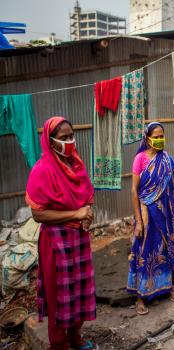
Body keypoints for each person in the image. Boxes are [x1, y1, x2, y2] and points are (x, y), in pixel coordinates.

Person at [26, 117, 97, 350]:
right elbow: (39, 215)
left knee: (80, 288)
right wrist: (76, 214)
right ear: (50, 140)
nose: (69, 141)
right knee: (60, 295)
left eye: (71, 136)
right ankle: (58, 344)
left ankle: (75, 336)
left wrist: (87, 215)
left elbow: (85, 198)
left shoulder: (76, 164)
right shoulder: (42, 170)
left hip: (78, 238)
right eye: (63, 138)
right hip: (56, 241)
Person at [127, 122, 174, 315]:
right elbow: (134, 190)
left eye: (161, 136)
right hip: (147, 213)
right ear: (147, 138)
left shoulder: (166, 158)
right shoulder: (140, 159)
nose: (159, 140)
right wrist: (139, 221)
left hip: (165, 213)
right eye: (156, 136)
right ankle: (140, 296)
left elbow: (170, 189)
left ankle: (166, 287)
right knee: (144, 251)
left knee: (165, 248)